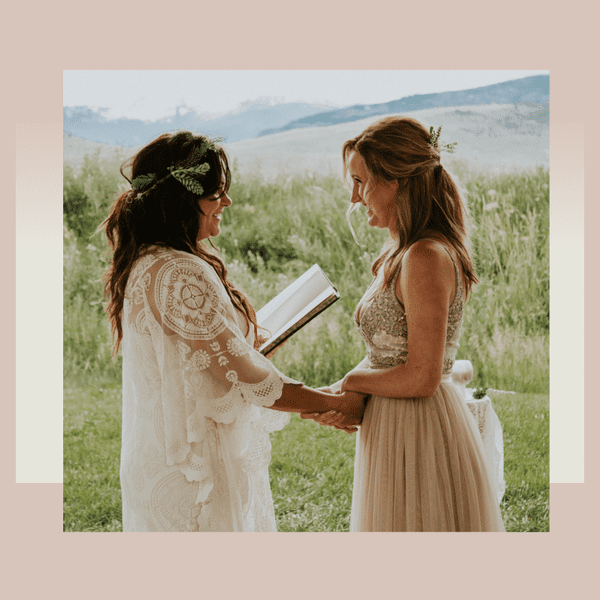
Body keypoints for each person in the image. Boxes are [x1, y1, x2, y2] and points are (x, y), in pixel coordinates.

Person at [101, 131, 365, 532]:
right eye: (216, 193)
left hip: (172, 460)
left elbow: (206, 361)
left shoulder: (151, 260)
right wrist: (336, 403)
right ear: (182, 198)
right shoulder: (177, 272)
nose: (226, 202)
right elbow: (247, 379)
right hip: (195, 474)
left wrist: (251, 351)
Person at [303, 117, 505, 532]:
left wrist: (353, 381)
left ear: (397, 181)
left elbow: (422, 376)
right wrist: (349, 398)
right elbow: (391, 353)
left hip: (419, 428)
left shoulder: (426, 256)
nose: (356, 198)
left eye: (363, 182)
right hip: (392, 422)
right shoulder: (401, 253)